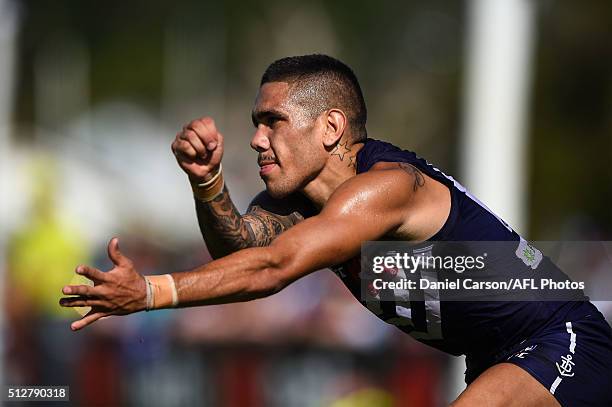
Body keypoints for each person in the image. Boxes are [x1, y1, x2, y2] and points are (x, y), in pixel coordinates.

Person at [60, 54, 612, 406]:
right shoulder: (304, 204)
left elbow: (273, 269)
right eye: (255, 123)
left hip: (560, 340)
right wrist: (208, 185)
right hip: (498, 357)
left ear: (330, 127)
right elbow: (242, 249)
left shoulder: (385, 188)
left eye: (272, 121)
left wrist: (150, 292)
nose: (256, 139)